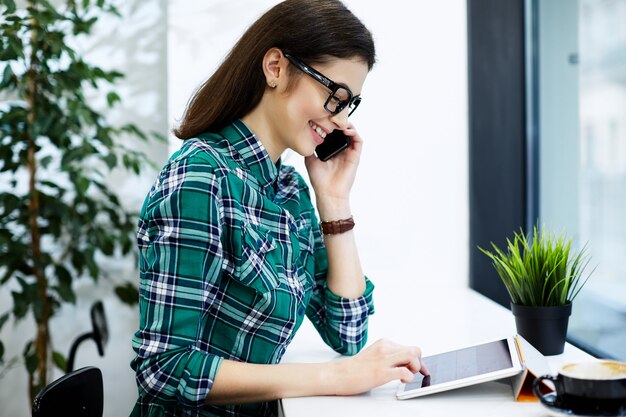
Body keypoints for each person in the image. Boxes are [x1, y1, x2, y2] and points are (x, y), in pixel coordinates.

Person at [130, 1, 427, 416]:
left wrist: (335, 200)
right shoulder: (201, 177)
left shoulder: (288, 189)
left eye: (349, 104)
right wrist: (338, 378)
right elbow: (165, 367)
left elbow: (348, 331)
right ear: (275, 67)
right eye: (335, 97)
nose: (340, 119)